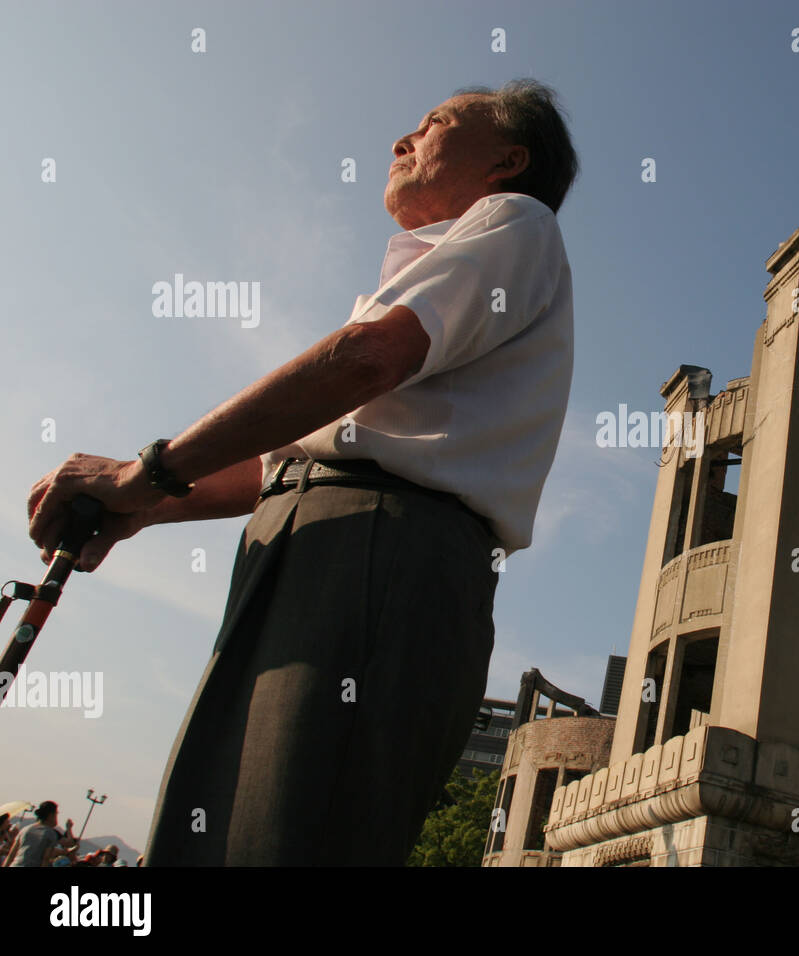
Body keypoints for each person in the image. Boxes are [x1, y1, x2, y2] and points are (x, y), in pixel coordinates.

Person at [27, 78, 578, 866]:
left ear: (509, 161)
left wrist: (145, 472)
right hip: (318, 541)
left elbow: (365, 357)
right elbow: (287, 462)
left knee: (278, 833)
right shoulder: (455, 272)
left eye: (436, 122)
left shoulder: (517, 221)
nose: (403, 139)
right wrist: (146, 505)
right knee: (218, 831)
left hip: (376, 550)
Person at [4, 801, 61, 867]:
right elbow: (46, 858)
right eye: (56, 814)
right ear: (51, 815)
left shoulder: (25, 829)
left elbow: (12, 854)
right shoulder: (50, 833)